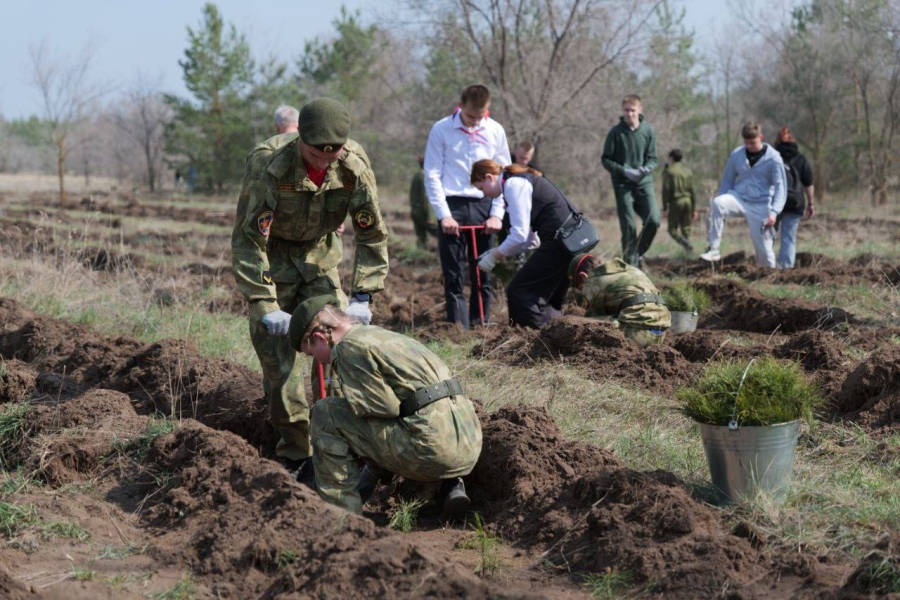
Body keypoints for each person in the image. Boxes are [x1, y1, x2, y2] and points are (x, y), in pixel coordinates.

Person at [231, 98, 389, 476]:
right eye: (316, 154)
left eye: (332, 155)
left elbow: (371, 233)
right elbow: (249, 239)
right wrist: (265, 303)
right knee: (278, 360)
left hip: (320, 259)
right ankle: (296, 452)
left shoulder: (353, 165)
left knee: (340, 347)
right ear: (300, 136)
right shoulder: (269, 163)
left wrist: (363, 294)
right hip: (274, 261)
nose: (324, 162)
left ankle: (338, 439)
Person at [288, 295, 482, 517]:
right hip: (468, 440)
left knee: (327, 413)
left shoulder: (348, 348)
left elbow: (381, 409)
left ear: (320, 337)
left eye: (312, 353)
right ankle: (448, 485)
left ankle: (342, 517)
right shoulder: (380, 335)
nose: (319, 361)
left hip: (432, 449)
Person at [424, 84, 511, 328]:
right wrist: (444, 215)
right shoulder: (441, 129)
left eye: (480, 116)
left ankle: (481, 323)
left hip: (485, 202)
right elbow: (432, 174)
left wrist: (497, 214)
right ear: (461, 106)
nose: (475, 122)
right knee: (454, 271)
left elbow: (504, 175)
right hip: (452, 204)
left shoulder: (495, 130)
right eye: (471, 116)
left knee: (483, 269)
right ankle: (457, 327)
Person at [471, 159, 586, 328]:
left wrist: (494, 257)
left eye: (481, 188)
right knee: (546, 296)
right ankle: (556, 332)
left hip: (560, 242)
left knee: (520, 292)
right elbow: (531, 241)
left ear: (489, 177)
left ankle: (533, 338)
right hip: (568, 242)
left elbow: (519, 235)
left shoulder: (513, 185)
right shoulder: (518, 182)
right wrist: (497, 251)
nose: (484, 194)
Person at [700, 123, 787, 267]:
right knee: (717, 203)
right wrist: (722, 211)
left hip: (761, 204)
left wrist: (774, 212)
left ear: (761, 138)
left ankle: (770, 274)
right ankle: (713, 249)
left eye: (752, 142)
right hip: (738, 198)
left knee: (764, 251)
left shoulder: (774, 158)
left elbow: (780, 188)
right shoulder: (737, 155)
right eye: (746, 142)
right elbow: (727, 180)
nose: (749, 146)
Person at [602, 94, 660, 268]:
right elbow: (606, 159)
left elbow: (653, 158)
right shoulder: (616, 132)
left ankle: (638, 253)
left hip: (643, 182)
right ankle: (631, 267)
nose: (629, 114)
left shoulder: (648, 131)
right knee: (628, 226)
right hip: (623, 184)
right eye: (626, 110)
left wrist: (646, 169)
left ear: (640, 109)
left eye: (632, 110)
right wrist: (624, 171)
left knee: (654, 220)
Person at [568, 253, 671, 347]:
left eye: (580, 287)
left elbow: (592, 320)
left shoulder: (592, 282)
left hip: (638, 336)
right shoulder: (629, 270)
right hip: (661, 333)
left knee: (585, 325)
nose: (582, 291)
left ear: (583, 275)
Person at [773, 127, 815, 268]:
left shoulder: (772, 157)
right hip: (795, 202)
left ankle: (767, 266)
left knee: (769, 236)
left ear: (777, 140)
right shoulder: (801, 159)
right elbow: (808, 184)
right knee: (788, 239)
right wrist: (811, 204)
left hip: (774, 203)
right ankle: (786, 268)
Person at [661, 149, 697, 252]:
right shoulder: (688, 171)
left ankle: (683, 243)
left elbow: (665, 190)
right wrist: (693, 208)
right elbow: (692, 190)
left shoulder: (669, 171)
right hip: (688, 201)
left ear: (671, 158)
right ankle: (688, 249)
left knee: (672, 229)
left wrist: (665, 207)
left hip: (676, 201)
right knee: (686, 228)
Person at [409, 157, 437, 249]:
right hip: (424, 213)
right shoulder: (425, 175)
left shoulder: (417, 175)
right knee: (441, 234)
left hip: (416, 211)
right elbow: (426, 197)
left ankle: (420, 254)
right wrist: (430, 216)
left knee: (421, 239)